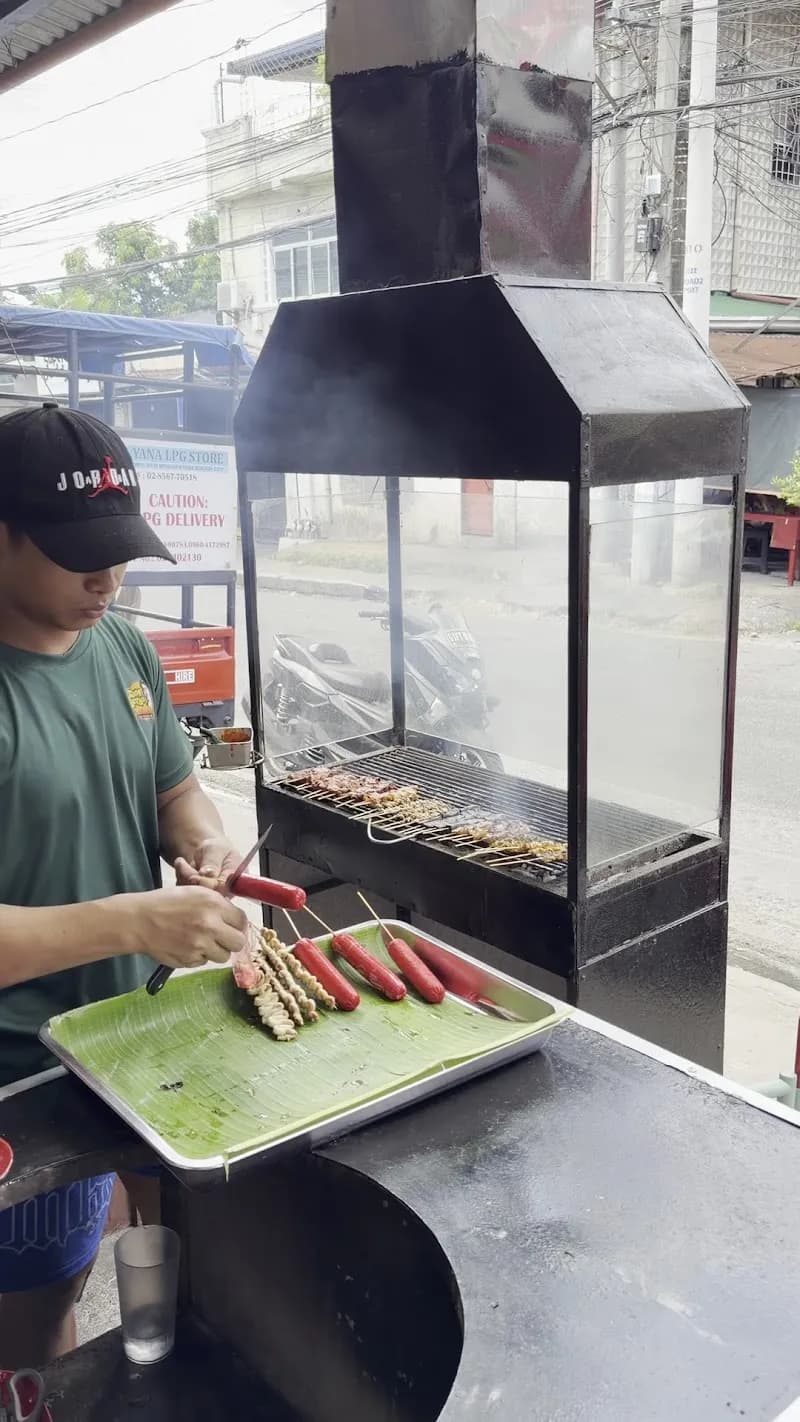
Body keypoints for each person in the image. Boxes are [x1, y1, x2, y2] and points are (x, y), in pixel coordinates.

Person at [0, 403, 248, 1366]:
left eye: (119, 550)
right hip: (23, 1073)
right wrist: (132, 921)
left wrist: (206, 848)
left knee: (180, 1268)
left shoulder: (124, 650)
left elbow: (176, 793)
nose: (107, 578)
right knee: (35, 1331)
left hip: (137, 1034)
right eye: (75, 553)